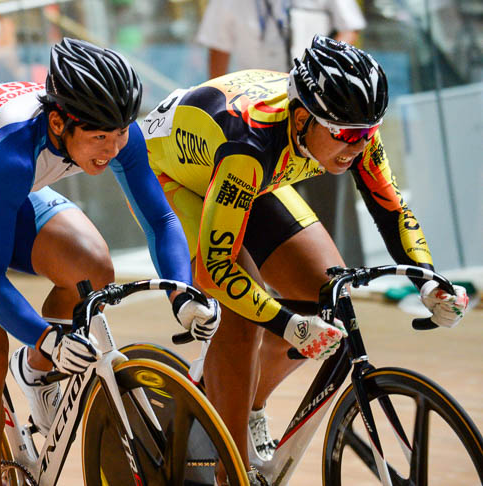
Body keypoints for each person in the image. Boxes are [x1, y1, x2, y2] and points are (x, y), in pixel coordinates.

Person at [141, 35, 470, 484]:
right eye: (347, 135)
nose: (359, 145)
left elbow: (392, 209)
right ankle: (228, 468)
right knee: (241, 322)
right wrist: (285, 324)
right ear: (301, 118)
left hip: (252, 178)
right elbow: (215, 269)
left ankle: (242, 399)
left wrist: (429, 282)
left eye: (369, 132)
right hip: (173, 174)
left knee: (329, 292)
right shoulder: (250, 144)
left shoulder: (350, 127)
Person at [0, 38, 220, 485]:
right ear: (60, 122)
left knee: (94, 270)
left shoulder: (116, 131)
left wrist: (183, 291)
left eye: (121, 132)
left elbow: (161, 219)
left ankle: (35, 376)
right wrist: (47, 337)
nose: (113, 147)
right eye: (100, 137)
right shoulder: (9, 156)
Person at [196, 0, 366, 79]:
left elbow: (349, 27)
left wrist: (323, 68)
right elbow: (219, 46)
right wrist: (218, 98)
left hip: (309, 86)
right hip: (253, 92)